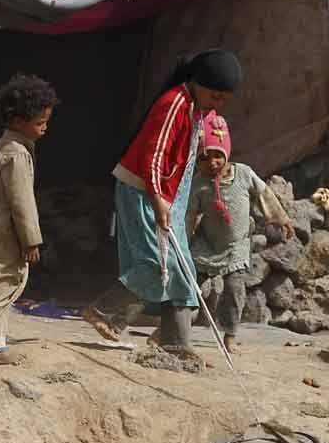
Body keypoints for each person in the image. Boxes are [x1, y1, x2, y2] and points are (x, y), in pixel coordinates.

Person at [82, 49, 241, 355]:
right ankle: (103, 311)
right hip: (143, 191)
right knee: (157, 263)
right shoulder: (174, 104)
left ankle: (175, 343)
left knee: (183, 270)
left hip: (171, 196)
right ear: (199, 83)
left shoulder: (199, 109)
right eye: (215, 96)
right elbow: (153, 156)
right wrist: (157, 200)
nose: (218, 104)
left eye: (224, 99)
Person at [0, 74, 60, 366]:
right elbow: (22, 203)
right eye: (40, 123)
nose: (45, 128)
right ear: (18, 121)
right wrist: (31, 241)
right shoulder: (15, 155)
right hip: (2, 234)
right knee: (0, 285)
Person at [186, 111, 292, 355]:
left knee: (235, 291)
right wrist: (185, 240)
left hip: (236, 247)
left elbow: (264, 194)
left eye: (217, 156)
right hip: (206, 245)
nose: (212, 163)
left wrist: (281, 218)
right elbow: (189, 215)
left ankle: (230, 336)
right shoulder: (199, 183)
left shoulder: (243, 174)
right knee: (188, 285)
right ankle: (171, 329)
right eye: (204, 158)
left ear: (227, 152)